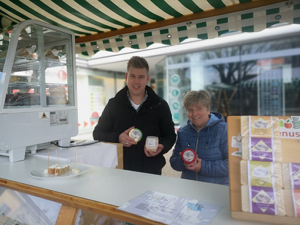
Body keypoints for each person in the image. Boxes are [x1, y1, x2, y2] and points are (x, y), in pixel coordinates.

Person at [93, 56, 176, 175]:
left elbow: (170, 135)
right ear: (127, 77)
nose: (136, 81)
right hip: (120, 171)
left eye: (141, 77)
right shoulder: (114, 104)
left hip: (151, 172)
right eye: (132, 76)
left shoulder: (160, 105)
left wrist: (162, 146)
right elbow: (97, 133)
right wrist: (118, 137)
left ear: (147, 79)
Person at [170, 90, 228, 185]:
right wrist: (182, 160)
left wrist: (202, 167)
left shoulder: (224, 130)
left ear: (208, 110)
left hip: (216, 191)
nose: (195, 114)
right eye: (190, 110)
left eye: (199, 108)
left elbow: (232, 165)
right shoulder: (182, 132)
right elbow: (174, 163)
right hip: (189, 188)